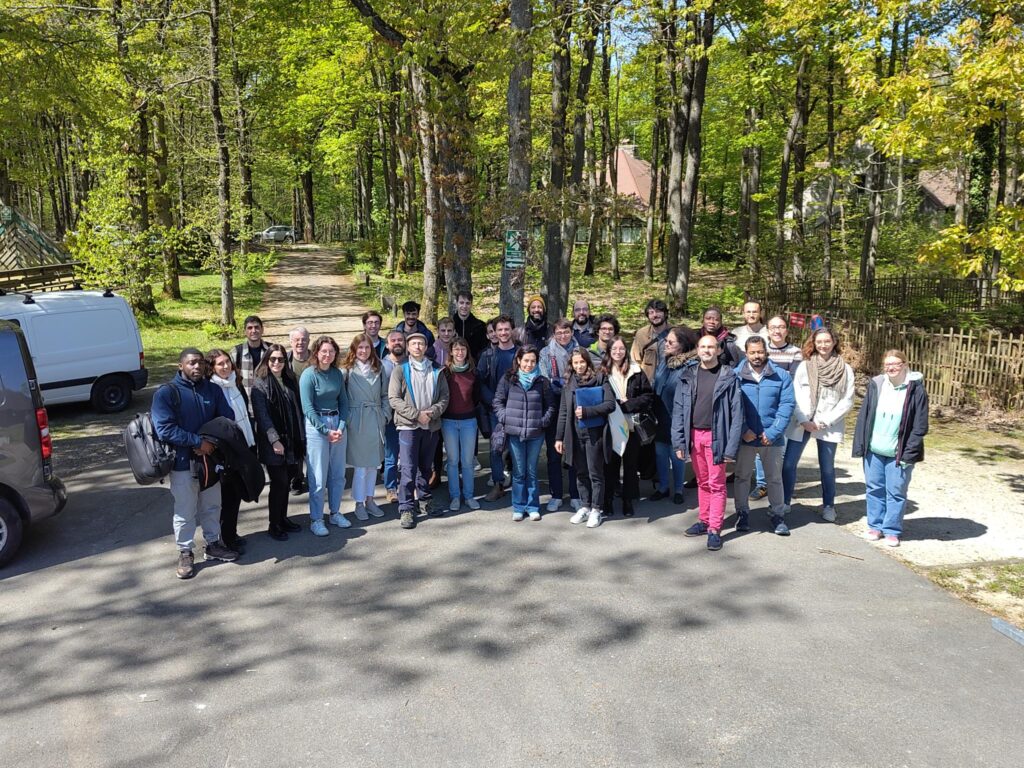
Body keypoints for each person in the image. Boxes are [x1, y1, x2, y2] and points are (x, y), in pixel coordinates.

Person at [152, 348, 238, 579]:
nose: (197, 366)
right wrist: (196, 442)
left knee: (212, 506)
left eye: (200, 362)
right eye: (191, 363)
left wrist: (209, 443)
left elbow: (226, 419)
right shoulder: (167, 393)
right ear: (181, 366)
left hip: (211, 461)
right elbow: (165, 428)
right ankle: (185, 552)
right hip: (182, 463)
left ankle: (213, 545)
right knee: (185, 511)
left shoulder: (213, 389)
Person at [672, 335, 743, 551]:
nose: (707, 350)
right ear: (697, 350)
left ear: (719, 350)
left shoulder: (728, 377)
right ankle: (704, 521)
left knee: (717, 484)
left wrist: (731, 448)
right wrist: (679, 443)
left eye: (711, 347)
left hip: (716, 437)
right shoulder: (687, 375)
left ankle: (714, 528)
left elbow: (737, 415)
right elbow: (679, 410)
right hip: (694, 436)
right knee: (702, 482)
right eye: (703, 346)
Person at [852, 350, 929, 547]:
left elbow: (920, 425)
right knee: (874, 488)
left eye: (895, 364)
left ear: (904, 364)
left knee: (896, 492)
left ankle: (892, 530)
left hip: (898, 452)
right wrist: (861, 444)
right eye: (887, 365)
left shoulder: (915, 389)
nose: (891, 368)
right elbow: (865, 415)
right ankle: (875, 526)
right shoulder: (877, 384)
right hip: (874, 450)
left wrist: (909, 452)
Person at [782, 327, 855, 523]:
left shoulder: (844, 369)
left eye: (827, 341)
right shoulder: (804, 367)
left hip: (828, 424)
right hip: (802, 421)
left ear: (834, 343)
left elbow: (847, 400)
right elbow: (794, 395)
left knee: (827, 468)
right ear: (813, 343)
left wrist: (826, 421)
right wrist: (804, 419)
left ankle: (829, 505)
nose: (823, 345)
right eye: (819, 341)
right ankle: (785, 501)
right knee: (789, 463)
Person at [733, 336, 795, 536]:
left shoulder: (780, 376)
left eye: (760, 352)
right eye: (752, 352)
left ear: (766, 352)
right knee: (742, 477)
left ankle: (777, 515)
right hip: (746, 438)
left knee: (774, 479)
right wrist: (743, 430)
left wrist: (773, 432)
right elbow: (733, 407)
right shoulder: (735, 376)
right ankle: (742, 513)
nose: (757, 356)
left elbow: (787, 406)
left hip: (772, 437)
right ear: (746, 353)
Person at [389, 331, 450, 529]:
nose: (417, 347)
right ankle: (406, 507)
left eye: (421, 344)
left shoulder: (436, 369)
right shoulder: (400, 369)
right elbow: (394, 398)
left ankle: (424, 499)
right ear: (408, 347)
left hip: (430, 425)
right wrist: (416, 414)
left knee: (425, 466)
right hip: (409, 425)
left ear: (426, 347)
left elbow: (444, 397)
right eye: (413, 343)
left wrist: (431, 412)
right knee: (408, 468)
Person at [251, 344, 306, 540]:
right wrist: (275, 440)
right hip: (272, 443)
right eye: (272, 359)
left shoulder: (289, 380)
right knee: (279, 482)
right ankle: (274, 524)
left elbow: (297, 409)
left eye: (280, 359)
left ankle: (283, 519)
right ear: (266, 360)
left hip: (291, 440)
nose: (276, 363)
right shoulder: (260, 384)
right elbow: (262, 417)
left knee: (287, 480)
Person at [494, 346, 556, 521]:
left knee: (532, 471)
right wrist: (505, 418)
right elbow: (498, 401)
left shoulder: (542, 381)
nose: (529, 364)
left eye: (533, 361)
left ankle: (533, 506)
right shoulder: (508, 379)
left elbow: (550, 405)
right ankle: (519, 506)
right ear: (519, 360)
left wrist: (543, 421)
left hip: (536, 433)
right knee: (519, 471)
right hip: (515, 432)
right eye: (526, 360)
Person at [555, 348, 615, 528]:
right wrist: (559, 438)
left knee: (595, 472)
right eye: (575, 363)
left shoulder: (600, 379)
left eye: (582, 362)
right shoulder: (569, 382)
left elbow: (610, 404)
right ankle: (585, 506)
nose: (579, 366)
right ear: (571, 365)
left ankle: (597, 509)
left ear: (588, 362)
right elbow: (563, 412)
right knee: (580, 473)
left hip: (594, 434)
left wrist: (588, 412)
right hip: (574, 434)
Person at [746, 314, 803, 501]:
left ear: (787, 330)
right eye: (773, 327)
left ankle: (776, 484)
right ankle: (762, 484)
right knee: (760, 442)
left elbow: (792, 379)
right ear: (767, 330)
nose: (777, 331)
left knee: (778, 447)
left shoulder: (795, 352)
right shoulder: (760, 349)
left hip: (783, 405)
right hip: (761, 405)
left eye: (781, 327)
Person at [206, 348, 256, 553]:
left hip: (242, 446)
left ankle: (231, 533)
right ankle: (226, 539)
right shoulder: (212, 389)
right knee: (228, 497)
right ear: (212, 368)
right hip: (227, 452)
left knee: (236, 495)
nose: (226, 366)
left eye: (227, 362)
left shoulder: (236, 383)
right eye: (220, 364)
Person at [300, 335, 351, 536]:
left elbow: (344, 402)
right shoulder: (308, 375)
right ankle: (316, 518)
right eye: (323, 351)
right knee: (318, 477)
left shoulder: (337, 374)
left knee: (338, 474)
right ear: (316, 353)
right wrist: (325, 430)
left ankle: (335, 512)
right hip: (317, 426)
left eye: (331, 351)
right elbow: (307, 407)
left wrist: (340, 426)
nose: (327, 355)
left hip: (337, 424)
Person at [602, 336, 654, 517]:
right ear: (609, 351)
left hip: (631, 425)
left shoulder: (636, 370)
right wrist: (615, 404)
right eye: (614, 349)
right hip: (610, 425)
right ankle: (607, 500)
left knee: (631, 466)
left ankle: (627, 500)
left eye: (621, 349)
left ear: (626, 350)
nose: (618, 352)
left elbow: (648, 396)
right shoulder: (602, 372)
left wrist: (629, 404)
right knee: (610, 466)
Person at [341, 334, 391, 521]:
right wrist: (347, 419)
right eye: (360, 348)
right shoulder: (347, 370)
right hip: (357, 420)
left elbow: (385, 395)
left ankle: (370, 500)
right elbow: (342, 397)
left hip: (376, 418)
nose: (363, 351)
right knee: (361, 467)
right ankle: (359, 503)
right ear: (354, 349)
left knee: (373, 465)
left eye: (367, 348)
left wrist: (385, 414)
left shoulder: (379, 368)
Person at [539, 319, 580, 513]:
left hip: (575, 406)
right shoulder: (546, 353)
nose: (563, 335)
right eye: (559, 332)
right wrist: (559, 386)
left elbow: (582, 376)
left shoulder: (580, 351)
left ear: (572, 332)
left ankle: (575, 493)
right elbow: (545, 379)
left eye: (566, 332)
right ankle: (556, 494)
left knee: (574, 451)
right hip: (553, 406)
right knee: (554, 453)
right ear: (554, 334)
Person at [478, 315, 519, 501]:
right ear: (494, 332)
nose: (503, 333)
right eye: (499, 330)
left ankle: (519, 486)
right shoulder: (487, 356)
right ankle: (498, 484)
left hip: (518, 410)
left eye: (506, 329)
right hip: (495, 409)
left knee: (517, 448)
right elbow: (480, 382)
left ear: (512, 330)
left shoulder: (520, 354)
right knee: (496, 448)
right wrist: (494, 403)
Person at [652, 327, 694, 503]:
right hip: (660, 416)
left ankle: (678, 489)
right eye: (665, 341)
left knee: (677, 454)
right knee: (660, 452)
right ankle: (663, 487)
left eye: (670, 342)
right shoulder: (664, 361)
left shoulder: (690, 366)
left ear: (682, 345)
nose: (665, 345)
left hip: (677, 417)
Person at [442, 337, 481, 512]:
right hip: (449, 421)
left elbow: (477, 396)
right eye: (456, 349)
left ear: (467, 352)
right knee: (452, 460)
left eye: (462, 349)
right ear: (451, 352)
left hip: (468, 422)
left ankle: (469, 495)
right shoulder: (445, 373)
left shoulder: (473, 372)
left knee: (467, 461)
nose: (459, 353)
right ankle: (455, 496)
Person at [380, 330, 407, 503]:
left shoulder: (411, 362)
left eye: (400, 340)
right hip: (389, 418)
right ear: (388, 345)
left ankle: (407, 486)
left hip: (408, 418)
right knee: (390, 456)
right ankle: (391, 488)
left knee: (408, 456)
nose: (397, 343)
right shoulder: (381, 365)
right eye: (393, 340)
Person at [286, 326, 311, 495]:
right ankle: (296, 478)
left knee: (313, 446)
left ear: (309, 341)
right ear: (291, 342)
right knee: (295, 444)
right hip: (292, 410)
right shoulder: (284, 360)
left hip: (312, 409)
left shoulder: (315, 359)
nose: (300, 343)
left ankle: (314, 477)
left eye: (303, 339)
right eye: (296, 340)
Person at [631, 298, 671, 383]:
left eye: (658, 311)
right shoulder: (641, 334)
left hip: (670, 382)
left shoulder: (676, 333)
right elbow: (635, 360)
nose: (655, 315)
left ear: (665, 313)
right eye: (651, 312)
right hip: (649, 382)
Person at [232, 314, 269, 400]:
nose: (254, 330)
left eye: (257, 327)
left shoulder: (271, 351)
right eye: (250, 328)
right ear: (245, 331)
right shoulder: (236, 352)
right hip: (246, 401)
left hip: (269, 401)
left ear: (262, 330)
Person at [452, 290, 489, 359]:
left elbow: (484, 349)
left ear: (471, 305)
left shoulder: (480, 326)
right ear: (456, 304)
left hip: (474, 365)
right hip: (453, 365)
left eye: (467, 303)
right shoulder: (449, 326)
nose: (464, 306)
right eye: (461, 303)